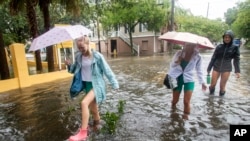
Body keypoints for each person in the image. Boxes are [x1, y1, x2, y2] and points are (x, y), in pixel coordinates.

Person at [65, 36, 119, 141]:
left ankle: (83, 133)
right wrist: (69, 65)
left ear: (88, 43)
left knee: (84, 103)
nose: (81, 50)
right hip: (87, 85)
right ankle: (98, 126)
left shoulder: (97, 56)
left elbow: (107, 70)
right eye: (79, 48)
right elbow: (74, 70)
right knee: (94, 111)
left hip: (97, 85)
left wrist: (114, 83)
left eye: (82, 47)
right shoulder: (79, 57)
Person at [168, 43, 207, 118]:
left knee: (186, 102)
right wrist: (177, 61)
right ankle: (173, 113)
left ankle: (185, 121)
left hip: (189, 79)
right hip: (176, 77)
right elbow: (172, 65)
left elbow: (199, 70)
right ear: (184, 45)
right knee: (174, 101)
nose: (189, 47)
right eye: (187, 45)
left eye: (191, 45)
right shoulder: (179, 53)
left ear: (194, 46)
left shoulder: (197, 56)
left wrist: (202, 82)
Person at [207, 30, 240, 96]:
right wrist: (209, 68)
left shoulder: (235, 48)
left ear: (231, 38)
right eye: (225, 37)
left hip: (226, 68)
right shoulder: (219, 46)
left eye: (229, 37)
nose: (227, 39)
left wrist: (237, 71)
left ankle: (221, 102)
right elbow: (214, 57)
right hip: (216, 66)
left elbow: (236, 60)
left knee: (222, 87)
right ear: (223, 38)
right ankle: (210, 98)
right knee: (212, 85)